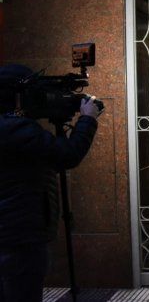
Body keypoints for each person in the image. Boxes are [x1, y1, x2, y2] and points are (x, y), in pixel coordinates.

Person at [0, 64, 100, 302]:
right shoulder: (15, 129)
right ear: (17, 95)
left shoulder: (10, 128)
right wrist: (88, 119)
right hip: (19, 237)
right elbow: (68, 155)